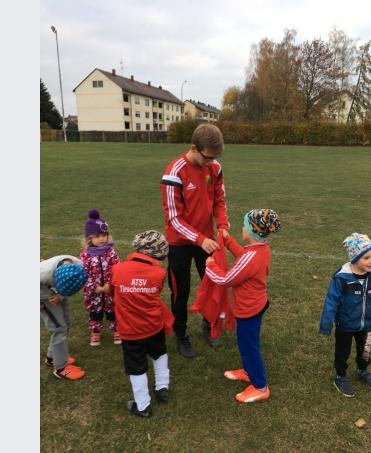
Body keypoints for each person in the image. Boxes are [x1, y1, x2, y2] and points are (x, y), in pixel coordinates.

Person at [160, 123, 229, 357]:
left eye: (214, 158)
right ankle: (181, 333)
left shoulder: (215, 167)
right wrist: (199, 239)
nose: (211, 163)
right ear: (194, 148)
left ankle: (210, 324)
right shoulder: (174, 173)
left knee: (212, 284)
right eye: (207, 158)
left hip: (206, 240)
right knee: (181, 290)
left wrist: (223, 226)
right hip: (180, 243)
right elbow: (174, 220)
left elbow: (219, 200)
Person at [205, 209, 281, 403]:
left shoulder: (251, 257)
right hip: (256, 304)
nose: (242, 228)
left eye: (245, 225)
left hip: (249, 309)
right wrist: (228, 240)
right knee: (246, 342)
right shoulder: (260, 249)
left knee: (249, 346)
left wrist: (210, 265)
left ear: (253, 231)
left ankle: (260, 386)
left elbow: (226, 279)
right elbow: (242, 256)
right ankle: (248, 371)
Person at [110, 231, 174, 417]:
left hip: (130, 330)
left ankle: (143, 406)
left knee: (136, 367)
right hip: (154, 326)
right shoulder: (159, 273)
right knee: (159, 353)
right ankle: (163, 387)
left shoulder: (117, 269)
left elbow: (113, 291)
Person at [319, 233, 371, 397]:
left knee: (366, 350)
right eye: (366, 257)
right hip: (345, 325)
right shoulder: (342, 278)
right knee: (342, 352)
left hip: (368, 325)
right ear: (354, 258)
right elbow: (331, 301)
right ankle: (340, 376)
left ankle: (362, 370)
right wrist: (326, 324)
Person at [40, 255, 88, 380]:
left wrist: (60, 295)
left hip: (58, 292)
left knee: (66, 323)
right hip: (43, 296)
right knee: (59, 329)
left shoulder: (78, 268)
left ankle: (52, 358)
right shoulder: (43, 273)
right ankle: (60, 368)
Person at [79, 209, 120, 346]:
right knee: (95, 312)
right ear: (90, 238)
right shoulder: (85, 255)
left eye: (104, 235)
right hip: (93, 291)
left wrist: (110, 284)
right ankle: (95, 332)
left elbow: (117, 268)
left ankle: (116, 330)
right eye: (97, 236)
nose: (102, 238)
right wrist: (94, 286)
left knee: (113, 310)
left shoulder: (111, 252)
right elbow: (84, 273)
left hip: (110, 289)